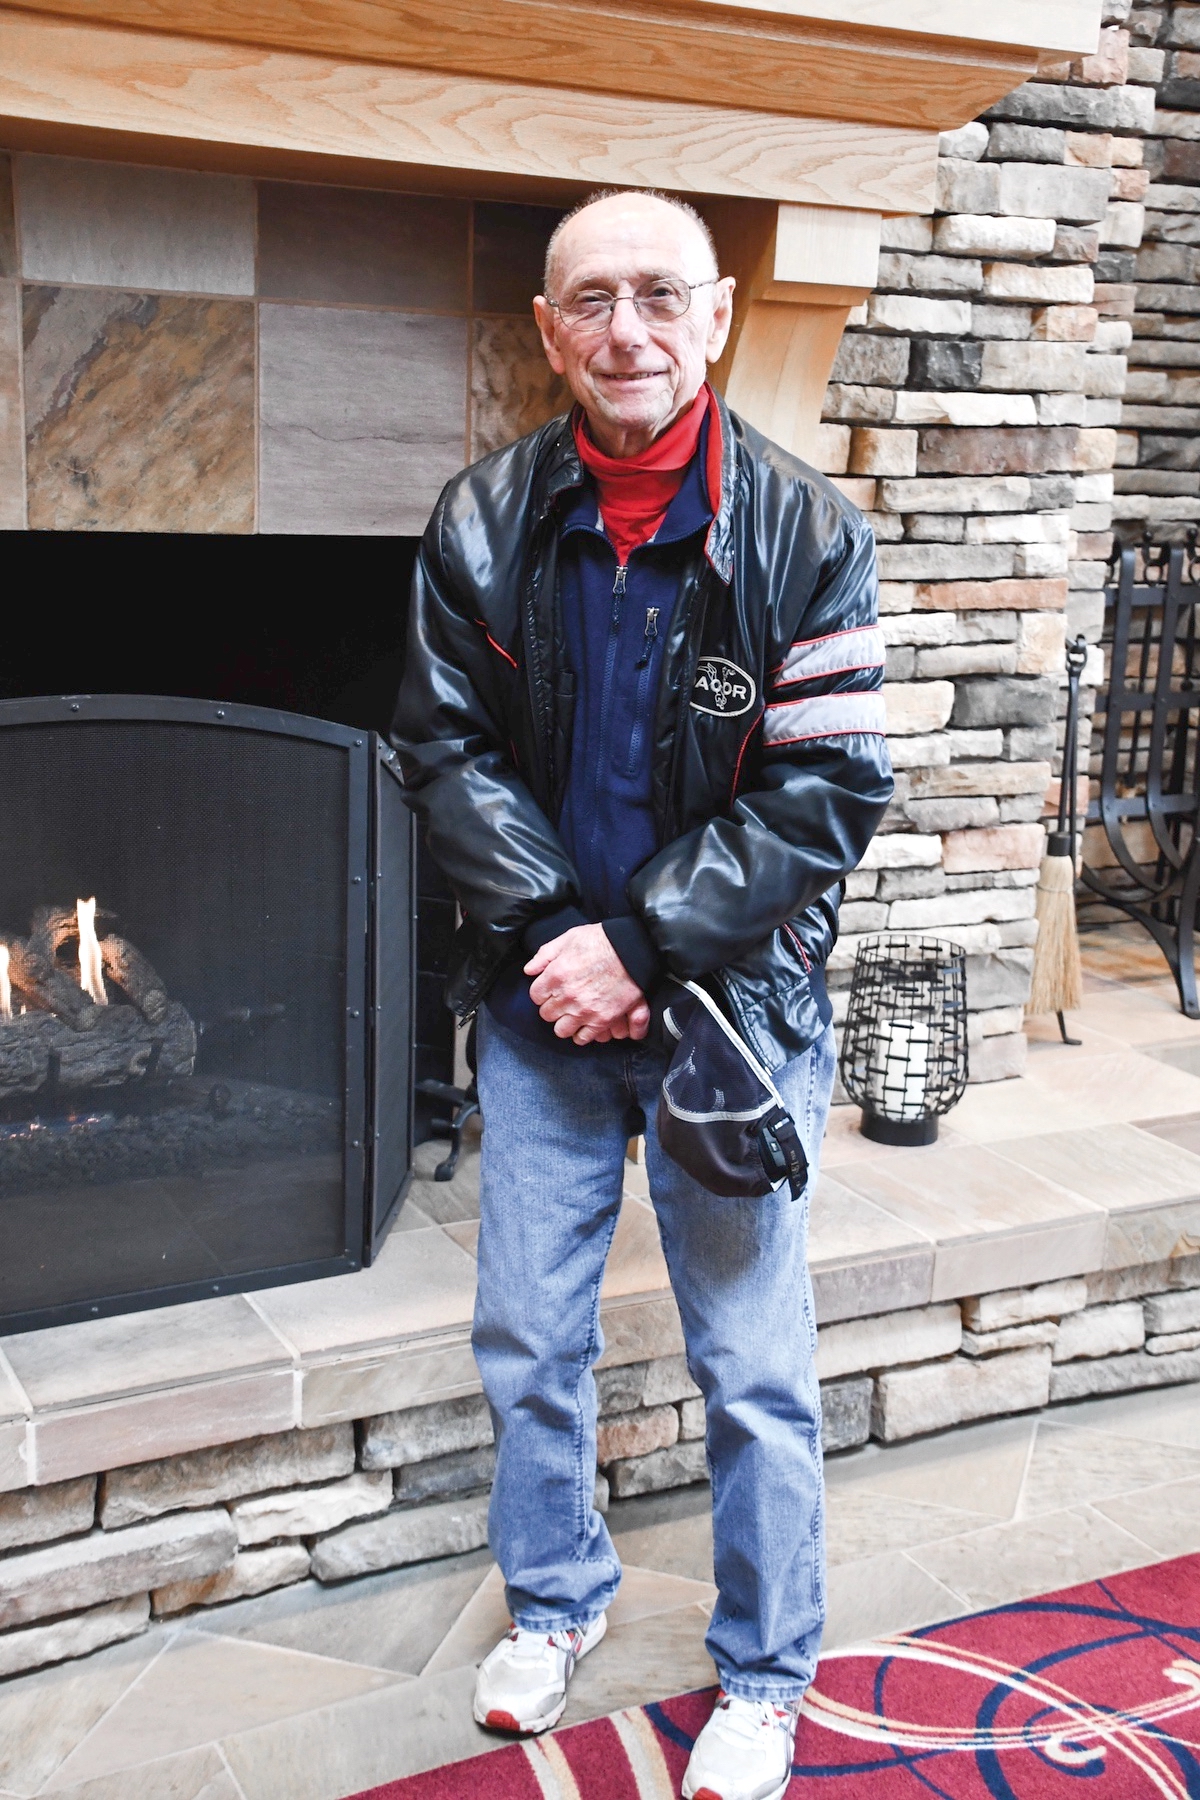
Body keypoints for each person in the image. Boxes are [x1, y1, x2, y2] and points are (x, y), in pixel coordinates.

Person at [393, 187, 892, 1800]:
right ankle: (556, 1601)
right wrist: (560, 934)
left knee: (750, 1366)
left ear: (721, 314)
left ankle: (765, 1673)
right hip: (544, 1007)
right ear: (547, 331)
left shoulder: (810, 535)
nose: (627, 330)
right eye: (590, 300)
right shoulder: (478, 520)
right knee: (527, 1339)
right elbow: (445, 748)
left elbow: (824, 792)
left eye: (660, 297)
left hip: (730, 1019)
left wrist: (647, 946)